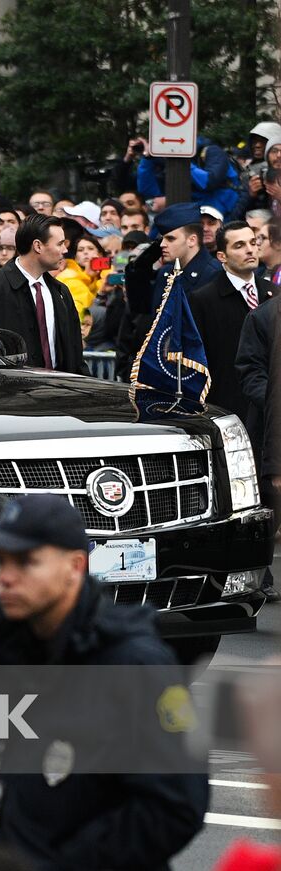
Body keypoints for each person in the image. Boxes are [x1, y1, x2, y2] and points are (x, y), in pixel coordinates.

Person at [0, 494, 209, 869]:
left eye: (26, 562)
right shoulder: (4, 650)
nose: (6, 578)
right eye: (0, 562)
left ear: (75, 566)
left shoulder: (134, 665)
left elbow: (174, 808)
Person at [0, 214, 88, 374]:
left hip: (59, 393)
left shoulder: (61, 292)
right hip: (10, 393)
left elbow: (75, 354)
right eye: (60, 244)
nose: (65, 250)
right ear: (38, 246)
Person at [186, 221, 275, 420]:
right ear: (221, 257)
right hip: (227, 409)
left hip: (269, 408)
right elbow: (198, 362)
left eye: (253, 242)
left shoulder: (273, 292)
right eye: (239, 245)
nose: (250, 250)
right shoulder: (203, 300)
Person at [236, 289, 281, 603]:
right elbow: (250, 372)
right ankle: (255, 576)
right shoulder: (263, 316)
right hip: (270, 428)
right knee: (267, 512)